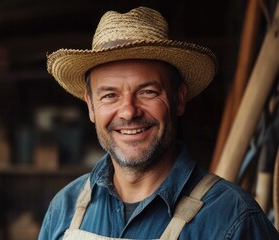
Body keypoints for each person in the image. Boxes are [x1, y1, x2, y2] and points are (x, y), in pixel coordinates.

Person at [38, 6, 279, 240]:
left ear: (179, 99)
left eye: (148, 92)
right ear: (91, 106)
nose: (129, 112)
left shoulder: (233, 221)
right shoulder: (63, 210)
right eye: (110, 95)